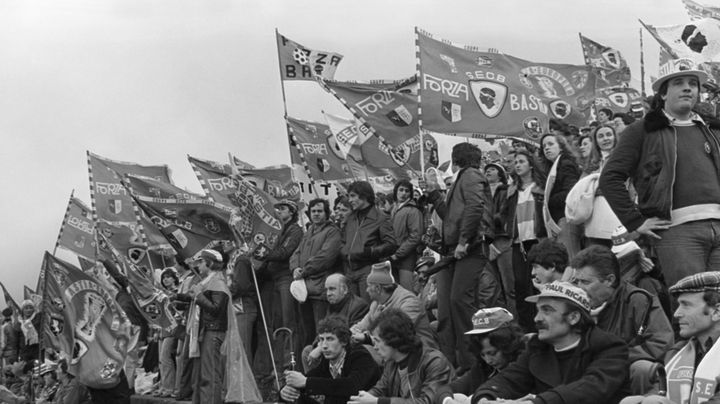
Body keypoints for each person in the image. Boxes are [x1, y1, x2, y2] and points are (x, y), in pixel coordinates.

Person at [600, 62, 720, 288]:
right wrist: (635, 221)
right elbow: (610, 177)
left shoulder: (711, 129)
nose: (688, 88)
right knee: (691, 302)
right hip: (677, 231)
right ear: (663, 93)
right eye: (679, 83)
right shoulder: (642, 129)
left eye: (693, 84)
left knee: (717, 311)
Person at [472, 281, 630, 404]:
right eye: (538, 310)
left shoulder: (609, 347)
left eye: (547, 310)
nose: (537, 318)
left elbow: (588, 390)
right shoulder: (537, 348)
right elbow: (509, 380)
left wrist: (534, 402)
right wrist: (485, 398)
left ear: (573, 317)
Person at [426, 142, 494, 372]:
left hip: (470, 247)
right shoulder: (464, 179)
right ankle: (470, 362)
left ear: (455, 161)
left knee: (460, 301)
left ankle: (475, 362)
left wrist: (464, 241)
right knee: (460, 303)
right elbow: (450, 218)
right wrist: (434, 193)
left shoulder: (470, 175)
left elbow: (475, 206)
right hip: (460, 249)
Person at [571, 246, 673, 395]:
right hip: (587, 371)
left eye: (585, 282)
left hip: (623, 370)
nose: (579, 289)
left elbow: (661, 342)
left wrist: (614, 359)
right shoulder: (573, 303)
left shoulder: (638, 299)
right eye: (577, 282)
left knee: (642, 368)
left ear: (609, 280)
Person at [620, 272, 720, 404]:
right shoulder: (678, 352)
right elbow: (661, 390)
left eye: (686, 305)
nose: (677, 314)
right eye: (678, 305)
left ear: (716, 312)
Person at [177, 249, 260, 404]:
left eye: (201, 261)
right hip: (205, 332)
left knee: (211, 374)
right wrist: (175, 297)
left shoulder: (217, 282)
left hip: (213, 332)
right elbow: (194, 297)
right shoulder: (209, 281)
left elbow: (217, 309)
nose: (199, 265)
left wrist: (198, 296)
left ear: (209, 263)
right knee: (202, 374)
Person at [348, 309, 453, 404]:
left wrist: (377, 401)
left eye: (377, 341)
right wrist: (361, 399)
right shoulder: (391, 362)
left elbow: (427, 401)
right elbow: (380, 389)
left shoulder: (434, 361)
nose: (374, 347)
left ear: (393, 340)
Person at [280, 315, 381, 404]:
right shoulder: (328, 359)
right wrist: (286, 390)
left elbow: (351, 386)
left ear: (344, 341)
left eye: (330, 339)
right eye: (321, 339)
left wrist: (307, 382)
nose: (324, 346)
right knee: (298, 397)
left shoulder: (360, 356)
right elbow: (312, 376)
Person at [256, 199, 303, 377]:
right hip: (275, 279)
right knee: (277, 324)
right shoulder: (278, 230)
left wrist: (264, 253)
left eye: (282, 209)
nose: (279, 211)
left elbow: (285, 252)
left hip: (286, 278)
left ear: (291, 212)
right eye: (277, 208)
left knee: (288, 322)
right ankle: (278, 366)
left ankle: (290, 365)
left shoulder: (295, 230)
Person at [437, 308, 525, 402]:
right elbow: (445, 390)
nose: (488, 360)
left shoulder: (525, 366)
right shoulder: (483, 368)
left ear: (508, 345)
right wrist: (447, 401)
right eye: (482, 355)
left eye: (492, 353)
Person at [291, 198, 342, 349]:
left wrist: (304, 271)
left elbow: (326, 257)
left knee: (321, 333)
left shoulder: (332, 232)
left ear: (327, 213)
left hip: (320, 289)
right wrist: (294, 268)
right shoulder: (308, 232)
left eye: (320, 211)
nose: (316, 214)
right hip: (304, 290)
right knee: (307, 333)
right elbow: (296, 254)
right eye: (313, 211)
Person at [350, 262, 437, 350]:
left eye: (368, 286)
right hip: (390, 352)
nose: (366, 290)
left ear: (378, 288)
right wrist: (347, 335)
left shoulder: (409, 302)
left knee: (363, 353)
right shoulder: (376, 303)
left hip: (418, 354)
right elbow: (361, 326)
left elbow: (396, 336)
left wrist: (367, 339)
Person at [506, 148, 546, 331]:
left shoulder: (541, 187)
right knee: (521, 285)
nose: (518, 165)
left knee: (539, 284)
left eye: (521, 161)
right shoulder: (512, 190)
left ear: (531, 164)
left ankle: (544, 323)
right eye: (516, 163)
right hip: (518, 243)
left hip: (538, 241)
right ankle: (527, 328)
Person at [341, 181, 397, 301]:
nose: (349, 200)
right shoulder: (350, 218)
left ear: (364, 196)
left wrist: (370, 251)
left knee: (368, 308)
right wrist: (344, 251)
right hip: (349, 270)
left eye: (352, 196)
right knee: (353, 311)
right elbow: (343, 240)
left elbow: (391, 244)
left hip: (368, 270)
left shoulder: (380, 218)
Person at [539, 133, 582, 258]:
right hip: (559, 220)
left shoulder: (565, 164)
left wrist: (548, 201)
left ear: (561, 147)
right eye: (544, 146)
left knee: (570, 259)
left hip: (566, 219)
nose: (546, 148)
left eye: (551, 144)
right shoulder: (553, 167)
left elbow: (570, 192)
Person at [484, 162, 516, 317]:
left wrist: (487, 220)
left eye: (492, 169)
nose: (488, 171)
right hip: (487, 242)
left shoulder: (506, 190)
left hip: (503, 241)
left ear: (501, 173)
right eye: (486, 169)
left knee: (510, 286)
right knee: (495, 287)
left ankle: (515, 323)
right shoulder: (481, 192)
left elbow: (506, 216)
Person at [388, 180, 424, 291]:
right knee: (395, 292)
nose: (403, 193)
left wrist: (398, 254)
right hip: (393, 256)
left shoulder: (413, 210)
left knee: (406, 291)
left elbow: (415, 236)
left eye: (407, 191)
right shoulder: (394, 209)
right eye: (401, 190)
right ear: (396, 192)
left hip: (407, 257)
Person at [156, 268, 179, 397]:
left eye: (169, 277)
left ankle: (170, 388)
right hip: (162, 329)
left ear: (174, 278)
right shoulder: (161, 294)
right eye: (164, 277)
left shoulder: (178, 292)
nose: (165, 279)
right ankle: (164, 386)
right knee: (161, 360)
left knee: (166, 358)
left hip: (173, 328)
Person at [15, 300, 40, 365]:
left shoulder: (38, 321)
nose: (28, 310)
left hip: (37, 352)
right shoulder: (18, 324)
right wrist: (15, 359)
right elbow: (15, 343)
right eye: (26, 308)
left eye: (30, 308)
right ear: (22, 310)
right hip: (24, 354)